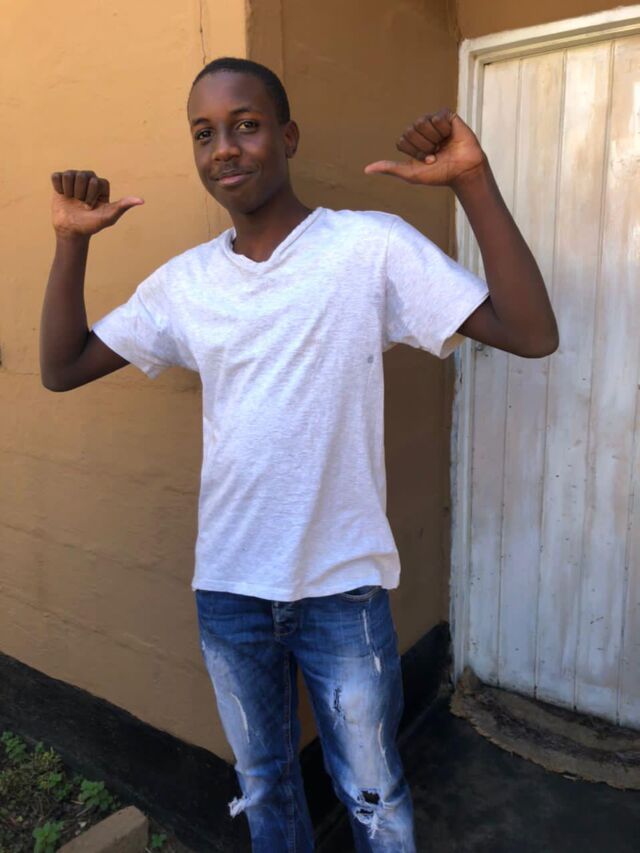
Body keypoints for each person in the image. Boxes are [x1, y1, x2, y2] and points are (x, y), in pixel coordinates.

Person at [40, 57, 558, 852]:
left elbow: (530, 332)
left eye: (245, 125)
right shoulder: (186, 285)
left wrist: (471, 181)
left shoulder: (369, 248)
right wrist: (70, 243)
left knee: (375, 798)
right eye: (204, 133)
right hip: (229, 589)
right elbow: (64, 365)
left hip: (341, 588)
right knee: (265, 788)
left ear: (287, 136)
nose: (224, 148)